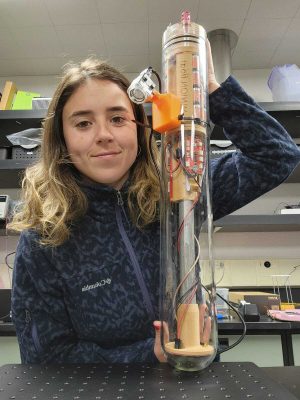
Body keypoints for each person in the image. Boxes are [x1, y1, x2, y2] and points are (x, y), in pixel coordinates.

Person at [10, 45, 300, 364]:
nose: (104, 134)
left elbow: (276, 156)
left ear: (139, 126)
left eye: (117, 118)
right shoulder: (43, 239)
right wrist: (148, 354)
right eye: (83, 124)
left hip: (194, 382)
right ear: (61, 138)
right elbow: (44, 358)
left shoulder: (178, 189)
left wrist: (211, 90)